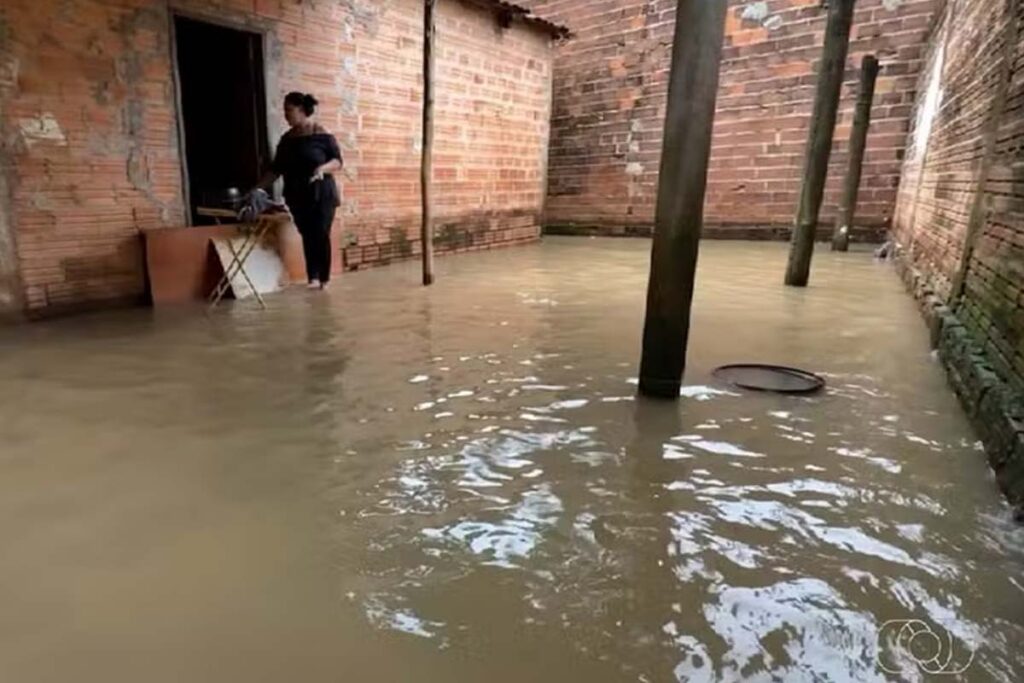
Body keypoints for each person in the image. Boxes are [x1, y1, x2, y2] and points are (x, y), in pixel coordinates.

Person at [256, 92, 343, 290]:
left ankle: (324, 280)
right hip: (297, 195)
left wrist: (322, 169)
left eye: (289, 110)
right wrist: (258, 188)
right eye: (284, 111)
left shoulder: (322, 134)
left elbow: (337, 161)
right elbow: (275, 169)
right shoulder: (286, 140)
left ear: (302, 111)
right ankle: (312, 277)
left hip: (322, 193)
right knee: (307, 234)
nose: (286, 115)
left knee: (321, 233)